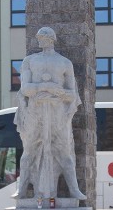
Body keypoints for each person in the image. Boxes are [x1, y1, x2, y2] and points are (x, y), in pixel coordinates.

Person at [12, 26, 86, 200]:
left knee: (64, 151)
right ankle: (21, 189)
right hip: (35, 112)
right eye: (38, 37)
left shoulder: (65, 63)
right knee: (29, 150)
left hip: (57, 113)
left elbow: (72, 94)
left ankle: (73, 189)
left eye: (42, 37)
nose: (39, 40)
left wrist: (57, 92)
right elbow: (26, 89)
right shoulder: (29, 61)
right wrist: (45, 86)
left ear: (51, 38)